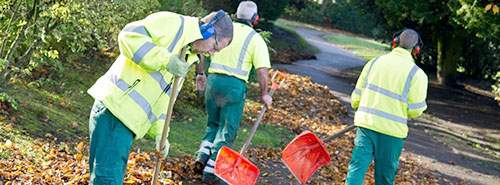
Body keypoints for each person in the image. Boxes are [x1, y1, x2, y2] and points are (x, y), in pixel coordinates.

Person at [86, 10, 233, 184]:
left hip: (124, 120)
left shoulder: (187, 56)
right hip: (115, 111)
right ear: (208, 30)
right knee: (107, 179)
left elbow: (165, 99)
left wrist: (161, 134)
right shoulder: (173, 23)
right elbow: (128, 36)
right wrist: (165, 60)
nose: (211, 53)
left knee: (107, 177)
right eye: (215, 47)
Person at [192, 1, 272, 183]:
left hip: (213, 82)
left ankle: (202, 156)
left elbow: (202, 52)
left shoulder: (223, 31)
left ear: (235, 16)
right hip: (234, 88)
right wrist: (265, 94)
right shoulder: (255, 39)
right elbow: (262, 71)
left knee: (212, 124)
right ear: (255, 19)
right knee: (227, 131)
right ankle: (211, 173)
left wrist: (201, 73)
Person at [346, 29, 428, 185]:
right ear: (416, 49)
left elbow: (355, 99)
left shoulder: (373, 63)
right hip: (392, 133)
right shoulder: (417, 75)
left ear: (395, 42)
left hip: (366, 126)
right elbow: (416, 111)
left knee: (356, 169)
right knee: (385, 177)